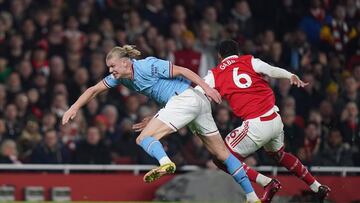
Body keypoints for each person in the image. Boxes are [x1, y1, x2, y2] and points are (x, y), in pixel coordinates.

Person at [62, 45, 261, 203]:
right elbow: (93, 90)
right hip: (193, 104)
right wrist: (73, 107)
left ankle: (165, 163)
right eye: (109, 68)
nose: (110, 70)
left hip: (185, 99)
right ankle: (252, 196)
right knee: (222, 154)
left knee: (144, 138)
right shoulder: (120, 79)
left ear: (125, 62)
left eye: (113, 66)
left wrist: (207, 88)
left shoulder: (146, 65)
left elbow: (182, 70)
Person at [202, 39, 331, 203]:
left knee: (221, 157)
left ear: (219, 56)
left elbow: (200, 89)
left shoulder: (215, 73)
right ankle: (316, 186)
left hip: (255, 124)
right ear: (238, 53)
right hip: (275, 119)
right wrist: (289, 75)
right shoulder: (249, 60)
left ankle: (266, 183)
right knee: (279, 155)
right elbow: (270, 70)